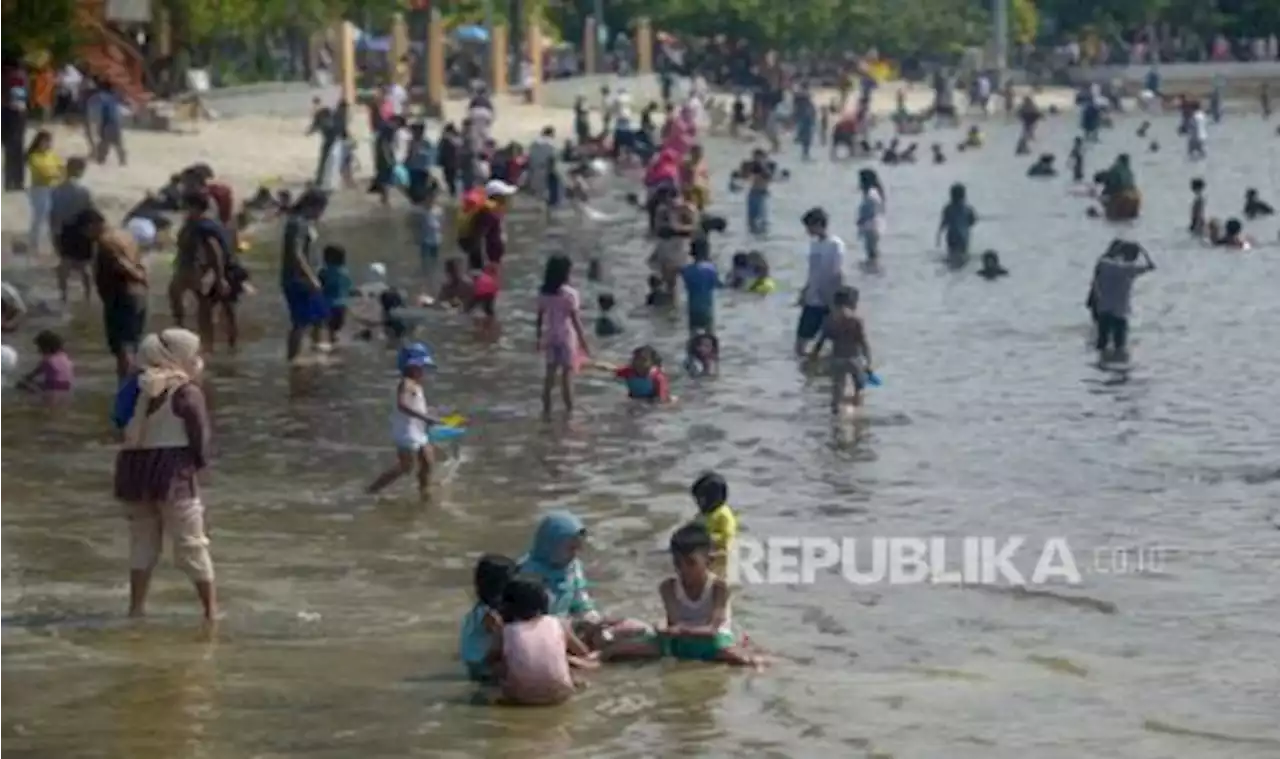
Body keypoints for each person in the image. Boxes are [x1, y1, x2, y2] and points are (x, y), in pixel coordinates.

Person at [113, 328, 215, 621]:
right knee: (191, 543)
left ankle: (136, 609)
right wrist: (200, 468)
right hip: (172, 471)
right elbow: (200, 438)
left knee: (142, 542)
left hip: (133, 470)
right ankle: (210, 612)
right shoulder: (186, 391)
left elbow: (119, 423)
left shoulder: (135, 386)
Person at [516, 511, 654, 654]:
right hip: (541, 635)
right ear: (550, 544)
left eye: (578, 548)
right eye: (570, 548)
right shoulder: (525, 573)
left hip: (571, 628)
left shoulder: (572, 567)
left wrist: (595, 623)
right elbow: (524, 620)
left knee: (639, 630)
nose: (575, 554)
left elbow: (581, 603)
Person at [629, 524, 761, 666]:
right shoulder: (668, 587)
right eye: (678, 563)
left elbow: (713, 629)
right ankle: (604, 655)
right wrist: (664, 629)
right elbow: (673, 623)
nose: (683, 569)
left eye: (691, 563)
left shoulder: (719, 587)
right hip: (681, 641)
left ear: (709, 561)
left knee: (744, 659)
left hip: (713, 642)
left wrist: (680, 630)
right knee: (631, 649)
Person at [487, 575, 597, 705]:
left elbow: (489, 660)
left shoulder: (505, 631)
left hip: (520, 698)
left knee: (498, 666)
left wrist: (494, 630)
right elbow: (583, 652)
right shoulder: (559, 623)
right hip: (561, 695)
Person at [367, 343, 442, 495]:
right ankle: (372, 490)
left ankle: (424, 491)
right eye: (420, 367)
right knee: (406, 467)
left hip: (418, 429)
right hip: (406, 431)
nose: (423, 371)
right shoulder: (406, 383)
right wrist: (425, 417)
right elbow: (402, 405)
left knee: (428, 461)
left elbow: (416, 404)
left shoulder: (415, 384)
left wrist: (429, 413)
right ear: (410, 367)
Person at [85, 209, 148, 378]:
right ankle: (133, 386)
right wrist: (143, 279)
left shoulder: (106, 241)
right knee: (132, 345)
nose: (87, 235)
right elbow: (140, 260)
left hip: (121, 297)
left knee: (123, 347)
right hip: (138, 296)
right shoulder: (126, 236)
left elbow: (122, 264)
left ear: (94, 225)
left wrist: (138, 277)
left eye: (87, 230)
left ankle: (125, 387)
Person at [535, 255, 590, 416]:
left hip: (551, 336)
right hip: (566, 337)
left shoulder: (543, 293)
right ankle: (569, 411)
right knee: (567, 377)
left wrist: (538, 338)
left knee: (549, 375)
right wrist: (583, 341)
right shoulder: (570, 294)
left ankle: (546, 410)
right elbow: (575, 320)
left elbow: (539, 318)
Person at [280, 190, 329, 363]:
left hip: (307, 278)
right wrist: (310, 277)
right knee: (300, 322)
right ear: (312, 206)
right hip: (297, 280)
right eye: (321, 209)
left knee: (320, 317)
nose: (321, 214)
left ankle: (317, 354)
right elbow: (297, 252)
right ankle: (293, 359)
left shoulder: (305, 223)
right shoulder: (297, 223)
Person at [807, 286, 873, 413]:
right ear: (851, 302)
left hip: (837, 359)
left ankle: (836, 421)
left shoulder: (830, 320)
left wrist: (813, 359)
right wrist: (869, 363)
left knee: (837, 391)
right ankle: (856, 419)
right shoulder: (855, 320)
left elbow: (820, 343)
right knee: (859, 389)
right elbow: (863, 343)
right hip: (853, 359)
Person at [1089, 241, 1155, 360]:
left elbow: (1103, 258)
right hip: (1120, 313)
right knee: (1120, 346)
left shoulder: (1105, 264)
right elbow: (1151, 266)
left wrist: (1114, 249)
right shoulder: (1130, 269)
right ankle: (1117, 366)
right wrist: (1143, 250)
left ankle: (1100, 366)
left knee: (1101, 344)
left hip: (1104, 309)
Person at [795, 207, 846, 356]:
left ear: (818, 224)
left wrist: (835, 302)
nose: (807, 231)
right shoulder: (814, 245)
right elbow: (812, 271)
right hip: (812, 298)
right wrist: (805, 291)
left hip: (828, 300)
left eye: (809, 226)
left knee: (834, 343)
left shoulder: (835, 245)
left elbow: (837, 273)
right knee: (800, 343)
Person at [459, 553, 517, 681]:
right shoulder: (490, 615)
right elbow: (503, 641)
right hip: (481, 667)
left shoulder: (480, 607)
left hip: (475, 663)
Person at [49, 156, 94, 303]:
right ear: (80, 170)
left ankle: (63, 296)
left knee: (64, 265)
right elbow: (90, 212)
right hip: (82, 231)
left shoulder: (56, 190)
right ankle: (88, 297)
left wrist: (54, 235)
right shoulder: (84, 190)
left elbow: (53, 214)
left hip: (65, 231)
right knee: (84, 268)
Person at [24, 129, 62, 255]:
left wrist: (57, 173)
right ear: (39, 142)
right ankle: (34, 245)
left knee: (52, 218)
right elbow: (42, 173)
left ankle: (52, 246)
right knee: (39, 218)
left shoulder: (52, 155)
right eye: (45, 142)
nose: (48, 144)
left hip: (52, 189)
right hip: (39, 190)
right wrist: (56, 174)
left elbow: (62, 168)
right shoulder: (34, 156)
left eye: (49, 142)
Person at [597, 345, 672, 403]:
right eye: (635, 359)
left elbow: (661, 399)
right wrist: (594, 365)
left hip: (651, 400)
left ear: (652, 363)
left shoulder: (657, 377)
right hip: (635, 399)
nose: (638, 362)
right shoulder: (629, 372)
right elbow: (612, 369)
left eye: (643, 360)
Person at [690, 472, 737, 560]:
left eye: (700, 500)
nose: (698, 503)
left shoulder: (724, 514)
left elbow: (728, 536)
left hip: (720, 553)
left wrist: (707, 538)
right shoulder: (707, 513)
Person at [682, 237, 722, 334]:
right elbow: (717, 285)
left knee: (693, 336)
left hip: (692, 309)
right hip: (707, 309)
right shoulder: (712, 269)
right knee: (709, 335)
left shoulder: (687, 270)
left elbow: (686, 286)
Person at [318, 245, 353, 345]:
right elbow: (348, 289)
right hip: (342, 305)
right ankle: (334, 343)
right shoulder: (345, 272)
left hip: (327, 305)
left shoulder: (324, 272)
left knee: (324, 330)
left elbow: (318, 287)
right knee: (335, 330)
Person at [936, 183, 977, 263]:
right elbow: (972, 221)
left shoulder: (948, 208)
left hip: (953, 235)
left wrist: (939, 236)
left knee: (953, 254)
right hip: (962, 236)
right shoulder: (967, 210)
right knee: (961, 254)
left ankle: (954, 260)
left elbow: (943, 223)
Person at [411, 188, 443, 280]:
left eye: (433, 198)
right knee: (424, 260)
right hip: (425, 239)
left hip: (436, 238)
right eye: (429, 198)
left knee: (434, 259)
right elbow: (415, 225)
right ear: (425, 198)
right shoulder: (420, 211)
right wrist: (416, 237)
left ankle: (433, 274)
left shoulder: (438, 210)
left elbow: (441, 222)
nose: (431, 200)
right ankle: (425, 275)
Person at [856, 169, 886, 263]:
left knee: (871, 253)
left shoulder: (871, 194)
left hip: (871, 227)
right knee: (871, 252)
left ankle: (872, 269)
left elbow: (871, 211)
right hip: (871, 227)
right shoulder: (872, 193)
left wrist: (861, 219)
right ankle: (872, 268)